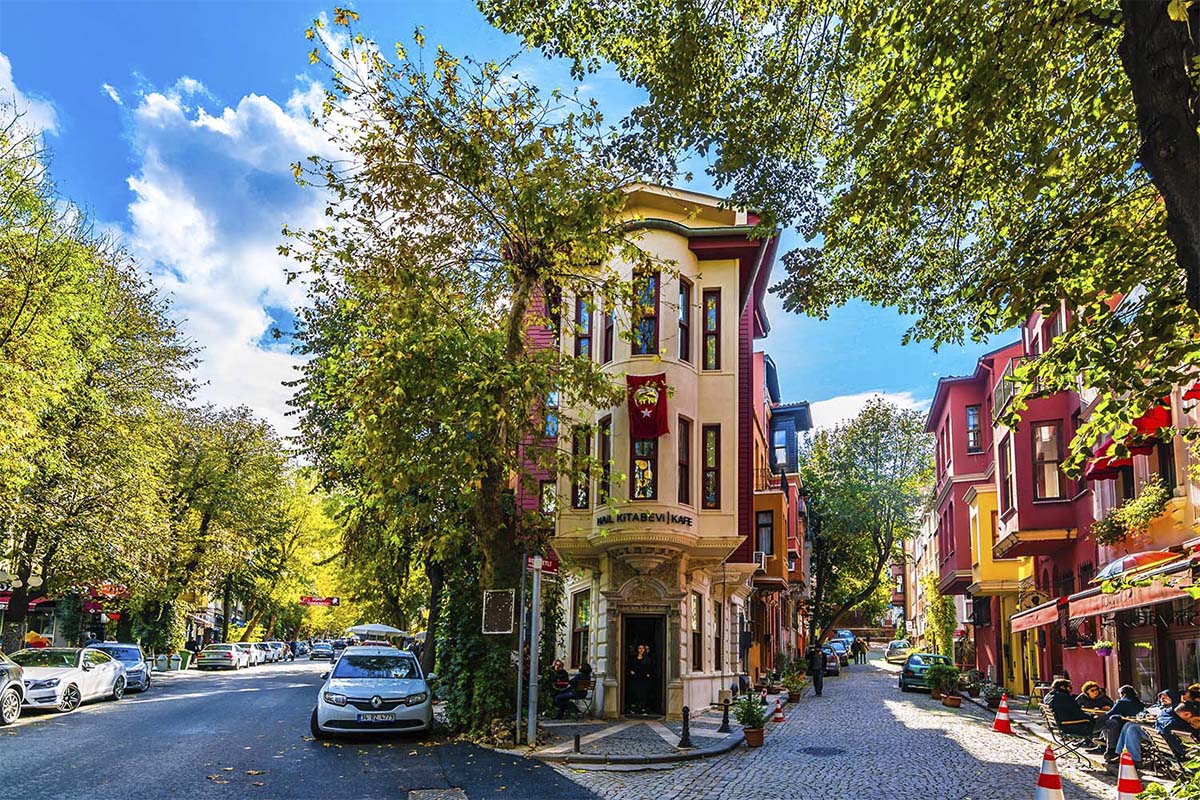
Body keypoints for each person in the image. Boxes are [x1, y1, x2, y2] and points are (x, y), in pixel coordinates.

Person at [1108, 696, 1200, 774]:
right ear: (1187, 714)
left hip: (1164, 749)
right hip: (1181, 755)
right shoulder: (1177, 726)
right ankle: (1130, 758)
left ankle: (1123, 756)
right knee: (1131, 727)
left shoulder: (1165, 714)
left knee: (1132, 727)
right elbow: (1184, 749)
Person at [1099, 685, 1146, 758]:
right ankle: (1104, 741)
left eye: (1120, 694)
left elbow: (1110, 713)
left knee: (1111, 722)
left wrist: (1097, 717)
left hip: (1127, 727)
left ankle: (1111, 749)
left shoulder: (1122, 702)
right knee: (1114, 719)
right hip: (1139, 724)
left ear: (1123, 694)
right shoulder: (1139, 702)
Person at [627, 644, 654, 715]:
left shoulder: (647, 658)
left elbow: (649, 667)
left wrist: (648, 674)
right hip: (635, 678)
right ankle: (635, 708)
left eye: (642, 648)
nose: (641, 650)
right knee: (635, 693)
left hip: (643, 678)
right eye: (639, 648)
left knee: (643, 693)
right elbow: (630, 666)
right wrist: (631, 671)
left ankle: (643, 708)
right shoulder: (634, 658)